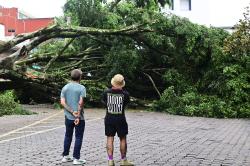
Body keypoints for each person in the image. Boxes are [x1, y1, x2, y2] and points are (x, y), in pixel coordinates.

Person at [102, 74, 134, 166]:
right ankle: (123, 160)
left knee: (109, 138)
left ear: (113, 82)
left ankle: (110, 160)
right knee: (123, 138)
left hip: (109, 118)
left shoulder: (106, 93)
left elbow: (104, 103)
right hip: (120, 119)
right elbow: (126, 105)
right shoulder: (125, 94)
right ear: (121, 84)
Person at [60, 69, 86, 165]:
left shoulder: (65, 87)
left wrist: (71, 112)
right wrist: (77, 115)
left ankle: (65, 157)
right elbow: (80, 102)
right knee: (78, 137)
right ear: (80, 77)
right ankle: (76, 159)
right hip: (79, 118)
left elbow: (62, 102)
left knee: (68, 136)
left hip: (68, 117)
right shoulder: (82, 88)